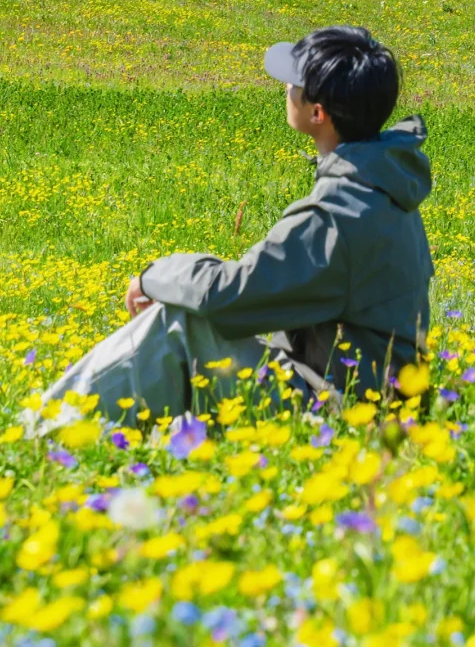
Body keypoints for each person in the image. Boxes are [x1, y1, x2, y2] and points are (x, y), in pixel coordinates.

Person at [33, 26, 433, 426]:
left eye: (294, 85)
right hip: (376, 402)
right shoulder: (383, 186)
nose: (286, 91)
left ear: (318, 113)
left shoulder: (336, 215)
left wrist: (152, 277)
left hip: (343, 417)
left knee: (181, 325)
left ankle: (42, 436)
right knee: (194, 311)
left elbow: (226, 296)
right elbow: (262, 290)